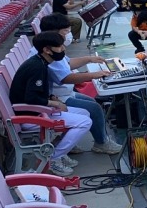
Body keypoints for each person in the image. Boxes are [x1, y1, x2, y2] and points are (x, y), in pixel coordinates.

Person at [32, 14, 122, 155]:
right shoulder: (48, 51)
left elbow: (67, 63)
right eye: (66, 32)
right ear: (54, 32)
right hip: (57, 97)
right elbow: (66, 78)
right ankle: (101, 143)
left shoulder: (51, 46)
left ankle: (70, 141)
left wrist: (89, 59)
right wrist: (93, 75)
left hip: (63, 93)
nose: (68, 35)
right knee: (94, 108)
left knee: (92, 103)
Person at [9, 32, 92, 176]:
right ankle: (53, 158)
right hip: (31, 116)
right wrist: (53, 103)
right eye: (58, 47)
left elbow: (36, 91)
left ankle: (60, 151)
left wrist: (52, 97)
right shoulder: (37, 67)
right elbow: (31, 98)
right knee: (85, 122)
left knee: (84, 113)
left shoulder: (40, 61)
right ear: (47, 50)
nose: (62, 49)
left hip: (38, 110)